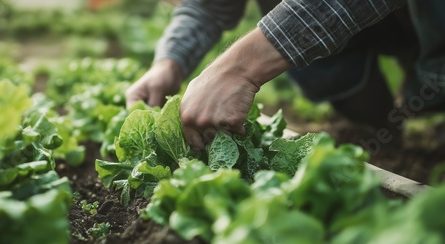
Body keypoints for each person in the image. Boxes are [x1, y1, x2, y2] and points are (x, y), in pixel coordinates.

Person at [126, 0, 445, 151]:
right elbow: (207, 7)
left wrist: (240, 67)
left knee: (433, 79)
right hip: (327, 28)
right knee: (362, 108)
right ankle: (388, 136)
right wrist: (170, 61)